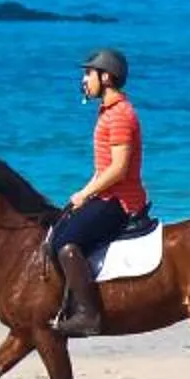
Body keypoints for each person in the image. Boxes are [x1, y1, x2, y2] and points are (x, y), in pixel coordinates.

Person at [48, 47, 148, 337]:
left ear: (106, 77)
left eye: (88, 73)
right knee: (60, 227)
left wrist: (85, 194)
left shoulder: (119, 115)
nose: (84, 80)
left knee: (66, 244)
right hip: (106, 196)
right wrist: (85, 192)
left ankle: (88, 315)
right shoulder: (107, 113)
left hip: (120, 202)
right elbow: (103, 167)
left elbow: (118, 169)